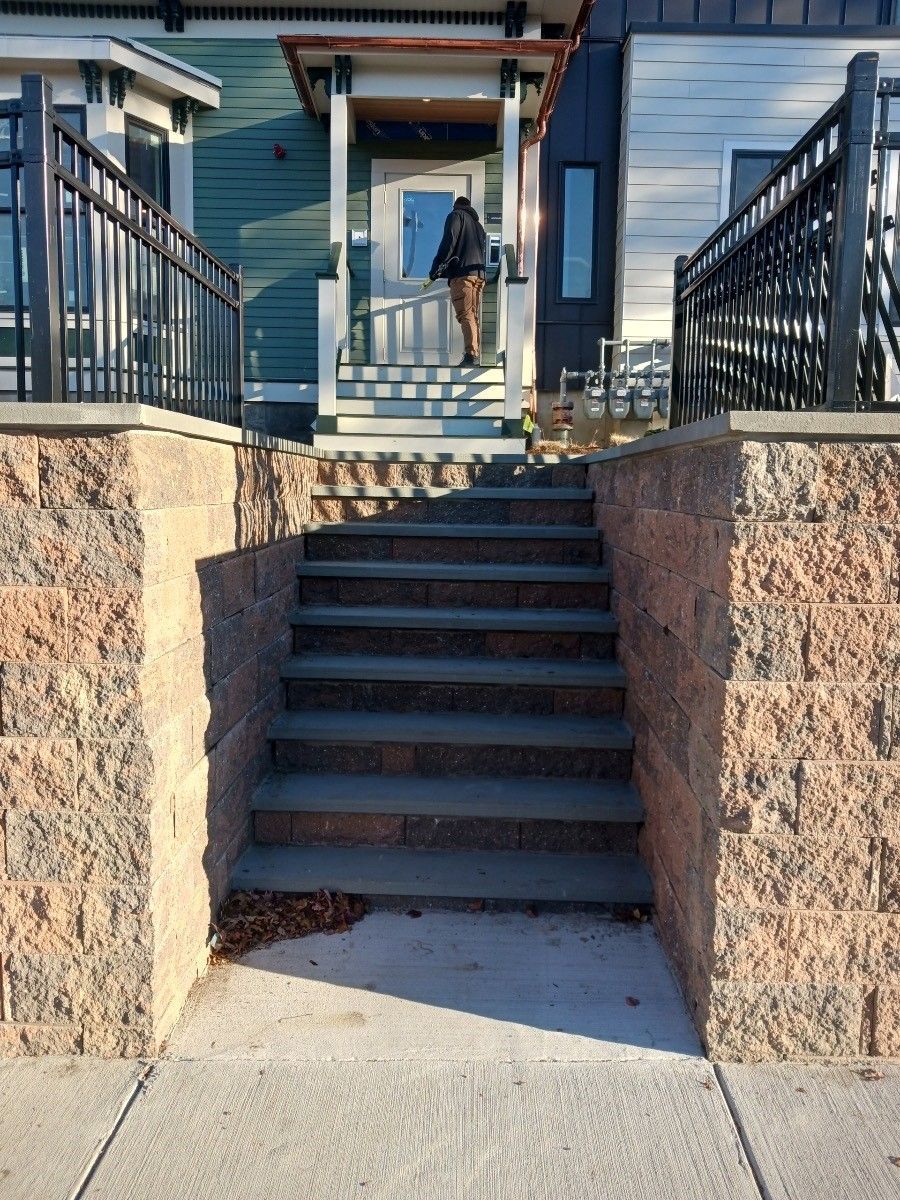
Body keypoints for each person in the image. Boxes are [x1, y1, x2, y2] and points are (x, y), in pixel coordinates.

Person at [428, 196, 486, 367]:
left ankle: (471, 356)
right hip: (478, 275)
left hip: (463, 275)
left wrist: (435, 270)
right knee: (472, 315)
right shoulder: (478, 226)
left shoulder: (456, 216)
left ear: (456, 206)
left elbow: (449, 242)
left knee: (465, 314)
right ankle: (474, 352)